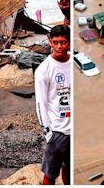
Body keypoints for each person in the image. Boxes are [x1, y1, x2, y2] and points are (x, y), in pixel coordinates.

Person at [34, 24, 71, 185]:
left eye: (63, 42)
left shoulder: (74, 62)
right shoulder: (44, 70)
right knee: (50, 175)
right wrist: (48, 132)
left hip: (75, 130)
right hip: (57, 130)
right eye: (55, 42)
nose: (59, 46)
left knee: (69, 170)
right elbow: (40, 103)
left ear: (69, 42)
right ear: (50, 42)